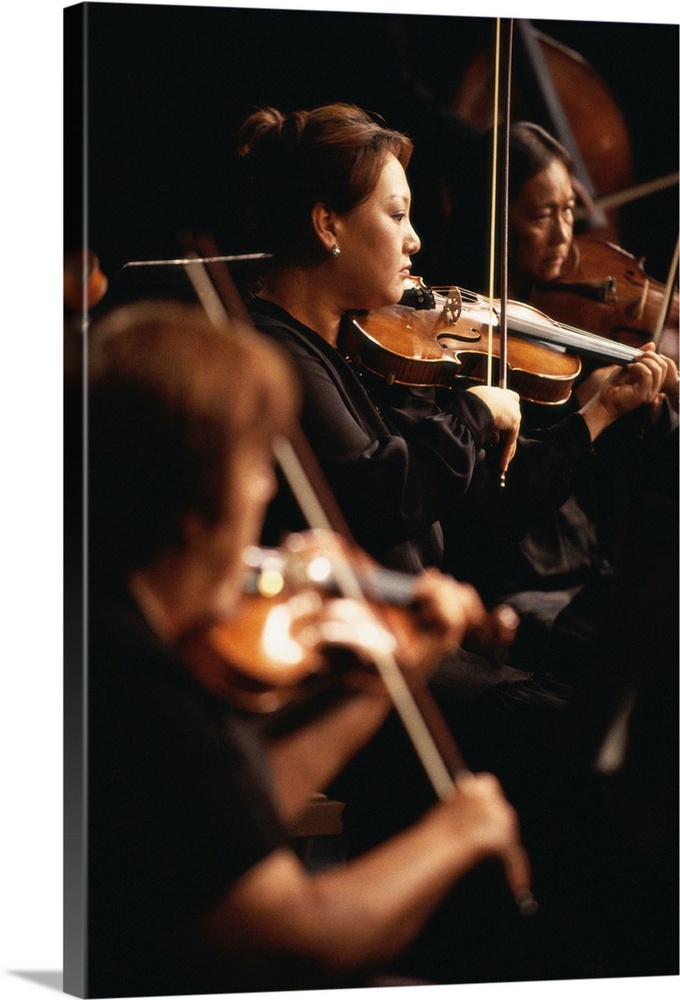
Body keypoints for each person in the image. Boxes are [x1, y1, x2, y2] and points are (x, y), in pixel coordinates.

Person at [234, 103, 670, 979]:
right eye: (395, 216)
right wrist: (471, 411)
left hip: (426, 658)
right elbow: (381, 495)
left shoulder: (344, 353)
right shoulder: (278, 353)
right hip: (366, 679)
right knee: (592, 768)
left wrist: (590, 415)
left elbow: (464, 514)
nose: (416, 241)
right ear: (327, 226)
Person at [85, 298, 537, 997]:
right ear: (194, 495)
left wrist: (394, 670)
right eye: (256, 465)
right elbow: (298, 944)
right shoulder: (131, 680)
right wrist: (458, 831)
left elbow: (231, 821)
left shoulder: (110, 627)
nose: (269, 490)